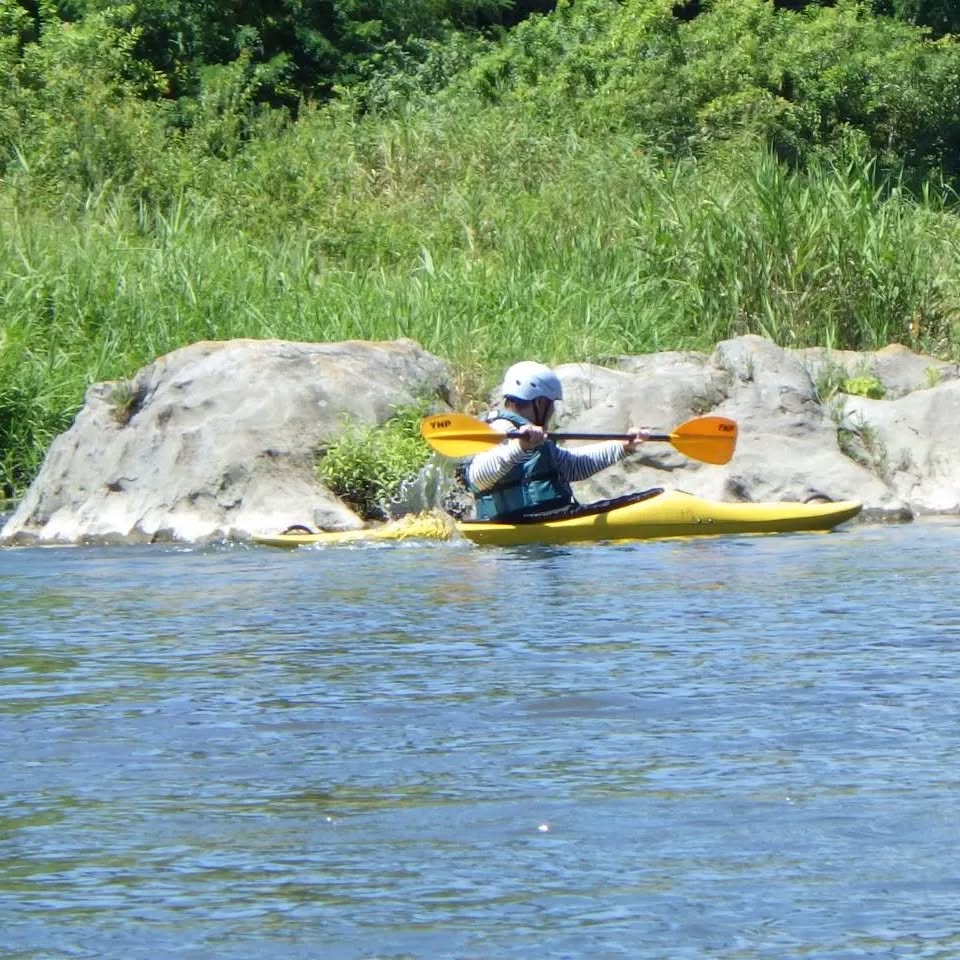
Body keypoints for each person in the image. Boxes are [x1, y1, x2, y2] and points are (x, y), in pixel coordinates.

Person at [464, 361, 649, 522]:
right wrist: (519, 446)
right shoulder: (501, 429)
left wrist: (624, 447)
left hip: (541, 523)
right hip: (512, 541)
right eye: (551, 404)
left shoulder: (534, 436)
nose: (552, 411)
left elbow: (572, 466)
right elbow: (478, 477)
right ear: (539, 403)